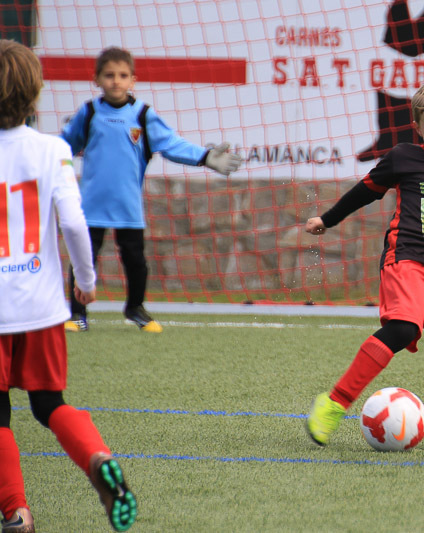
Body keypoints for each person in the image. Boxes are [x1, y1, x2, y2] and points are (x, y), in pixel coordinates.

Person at [0, 39, 137, 532]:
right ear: (35, 92)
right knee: (49, 404)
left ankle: (16, 512)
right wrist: (86, 280)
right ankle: (97, 458)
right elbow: (75, 224)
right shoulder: (52, 148)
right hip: (41, 306)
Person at [305, 77, 424, 450]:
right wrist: (327, 219)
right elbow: (364, 192)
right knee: (402, 330)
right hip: (406, 261)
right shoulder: (404, 157)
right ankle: (334, 403)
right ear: (418, 127)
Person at [61, 46, 243, 334]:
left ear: (133, 80)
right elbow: (63, 146)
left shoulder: (143, 115)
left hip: (128, 206)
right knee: (84, 260)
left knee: (136, 260)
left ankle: (135, 308)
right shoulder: (89, 112)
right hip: (92, 205)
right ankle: (77, 313)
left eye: (123, 75)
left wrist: (205, 156)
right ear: (97, 79)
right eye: (109, 75)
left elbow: (171, 144)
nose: (116, 81)